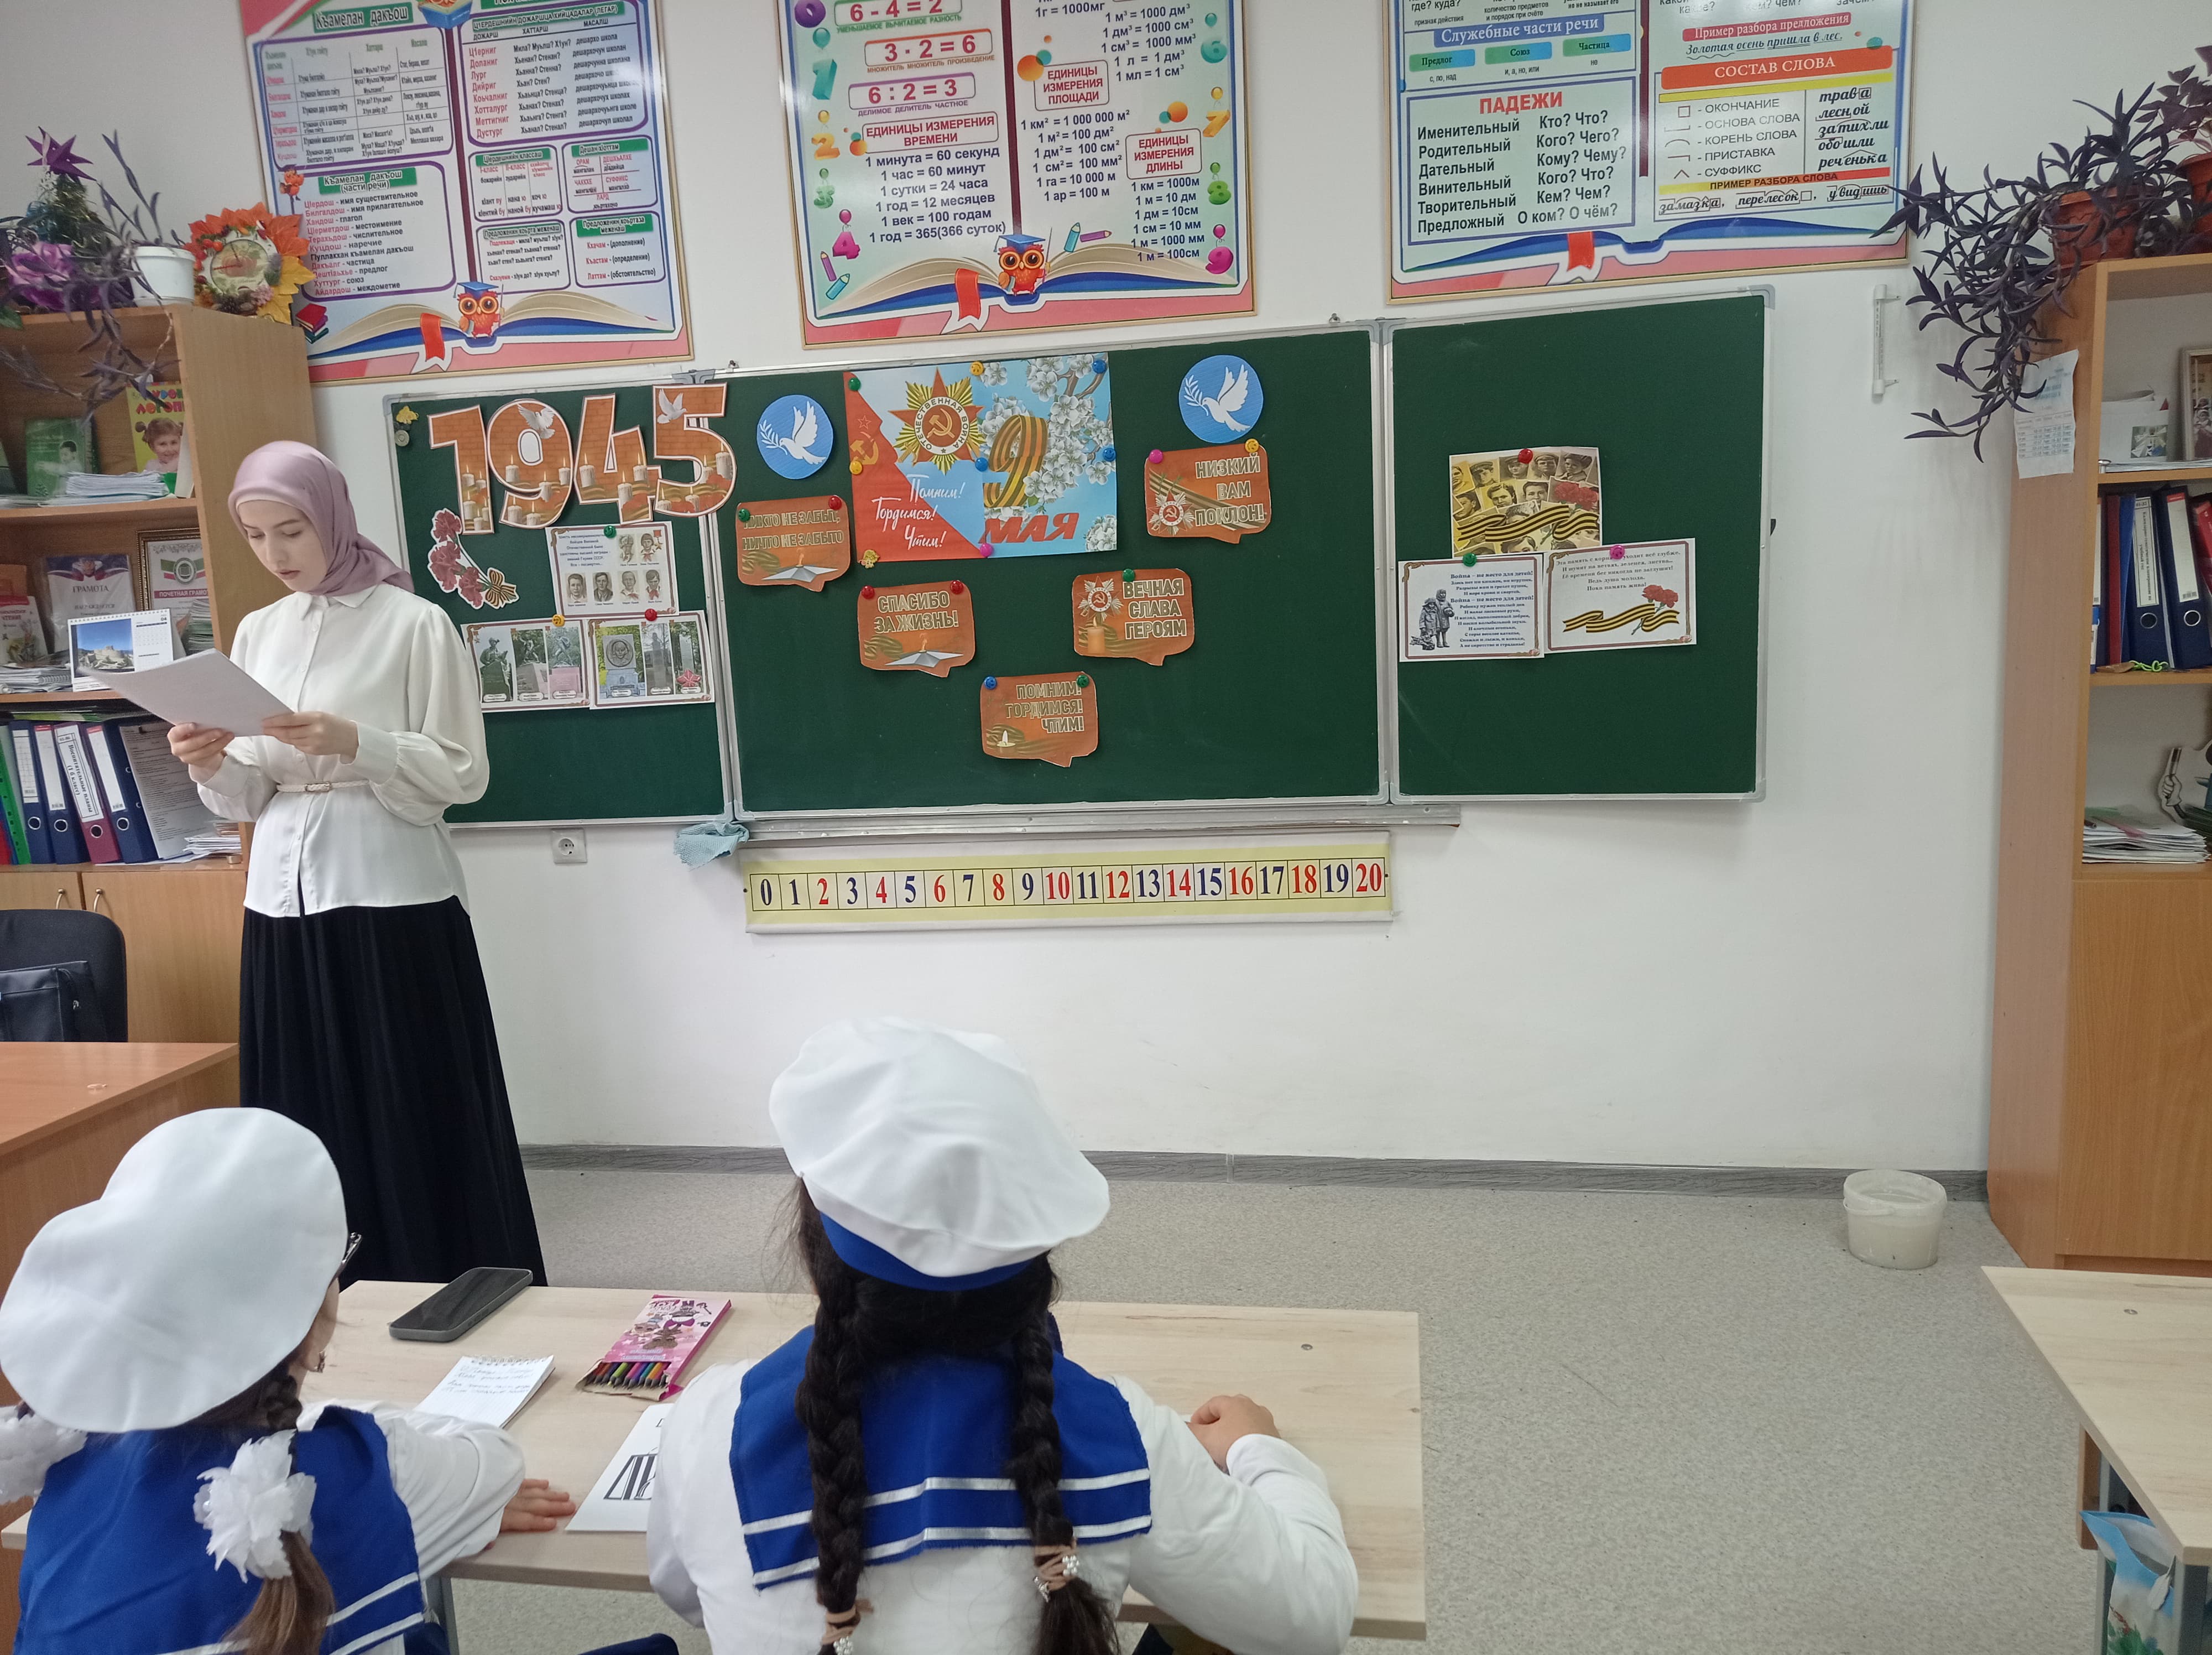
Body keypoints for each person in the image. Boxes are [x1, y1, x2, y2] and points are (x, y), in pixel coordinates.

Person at [648, 1018, 1359, 1655]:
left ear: (815, 1250)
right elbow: (1314, 1617)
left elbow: (686, 1596)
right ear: (1036, 1256)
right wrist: (1260, 1450)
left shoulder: (709, 1423)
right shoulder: (1121, 1433)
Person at [167, 440, 544, 1286]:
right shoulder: (260, 631)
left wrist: (358, 743)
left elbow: (462, 773)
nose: (276, 553)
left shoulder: (414, 624)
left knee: (408, 1100)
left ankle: (440, 1276)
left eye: (292, 530)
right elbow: (250, 794)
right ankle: (313, 1291)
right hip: (280, 905)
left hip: (390, 896)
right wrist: (208, 761)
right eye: (256, 536)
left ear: (332, 518)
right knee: (300, 1109)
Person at [0, 1108, 574, 1655]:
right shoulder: (375, 1468)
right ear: (316, 1312)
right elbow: (495, 1460)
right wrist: (363, 1437)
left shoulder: (72, 1465)